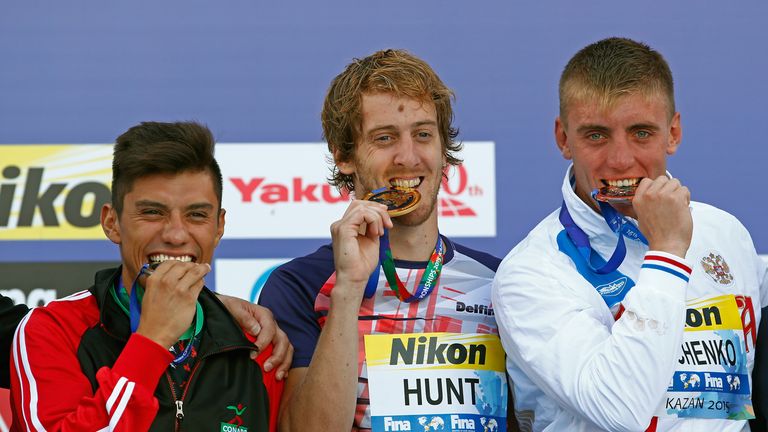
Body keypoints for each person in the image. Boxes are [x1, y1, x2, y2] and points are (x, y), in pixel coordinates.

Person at [492, 37, 768, 431]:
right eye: (596, 135)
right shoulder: (532, 273)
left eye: (641, 133)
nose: (620, 160)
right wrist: (668, 251)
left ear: (672, 133)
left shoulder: (725, 232)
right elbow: (621, 411)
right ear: (563, 138)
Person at [259, 49, 509, 431]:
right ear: (344, 156)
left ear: (444, 151)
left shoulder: (500, 282)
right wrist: (348, 290)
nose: (408, 157)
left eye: (423, 134)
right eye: (385, 137)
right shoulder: (299, 285)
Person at [10, 121, 286, 431]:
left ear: (219, 226)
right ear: (112, 223)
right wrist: (152, 341)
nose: (176, 235)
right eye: (153, 212)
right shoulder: (53, 331)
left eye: (197, 215)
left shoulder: (256, 345)